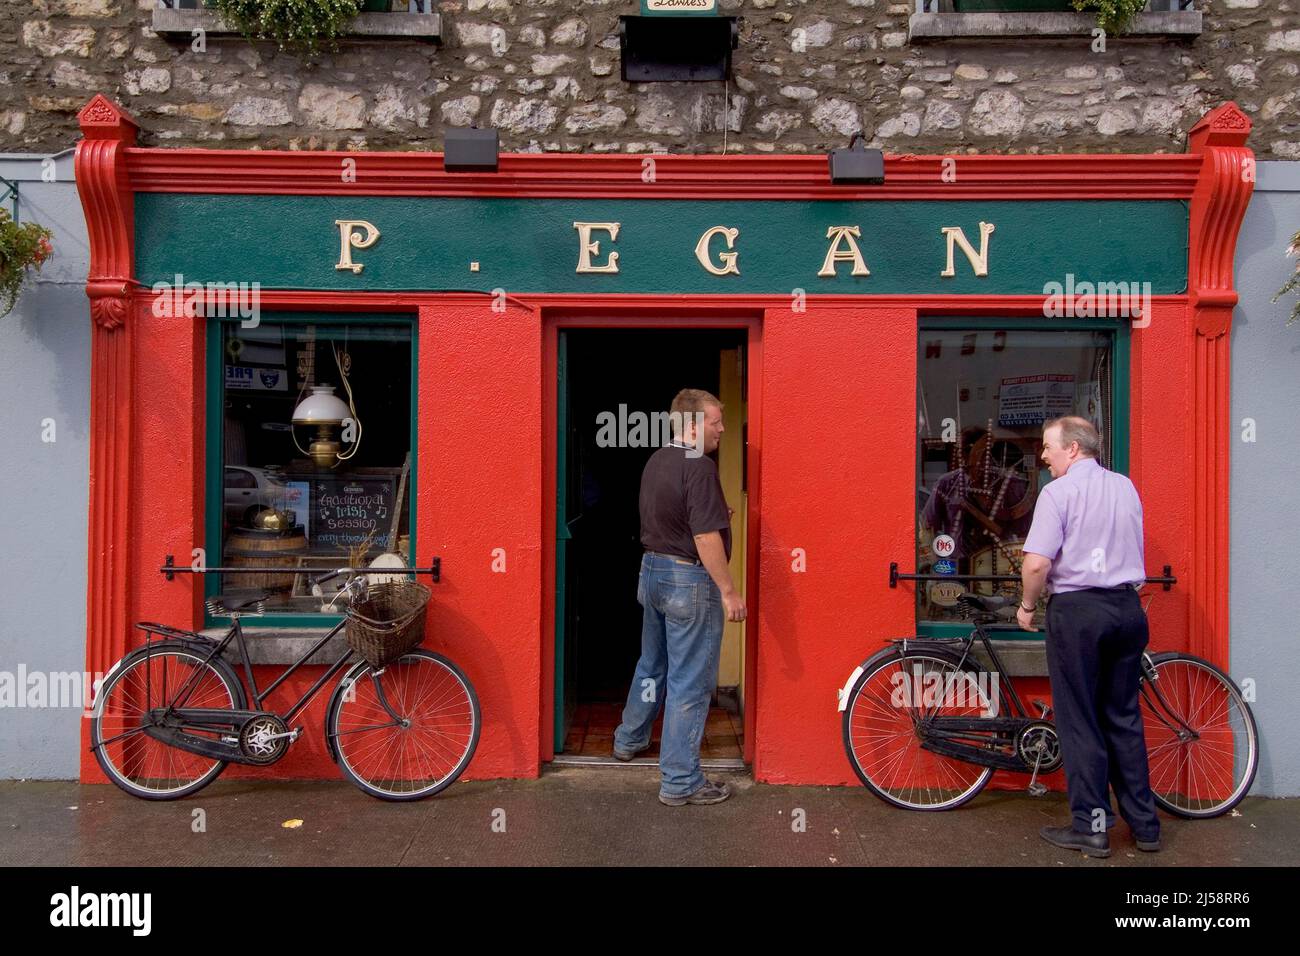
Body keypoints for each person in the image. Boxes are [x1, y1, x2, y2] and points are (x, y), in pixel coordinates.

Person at [1017, 415, 1160, 858]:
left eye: (1047, 447)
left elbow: (1037, 563)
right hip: (1126, 610)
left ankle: (1092, 827)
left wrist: (1026, 606)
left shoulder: (1058, 492)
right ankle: (1146, 826)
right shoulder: (1124, 487)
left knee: (1079, 720)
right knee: (1123, 716)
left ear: (1073, 449)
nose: (1043, 456)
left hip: (1079, 613)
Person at [613, 388, 745, 806]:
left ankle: (628, 738)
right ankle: (681, 780)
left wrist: (716, 517)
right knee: (690, 681)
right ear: (692, 426)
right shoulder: (699, 466)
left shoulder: (657, 460)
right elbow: (704, 537)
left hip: (652, 572)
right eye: (715, 421)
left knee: (652, 664)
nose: (723, 428)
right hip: (688, 581)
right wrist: (728, 590)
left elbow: (674, 516)